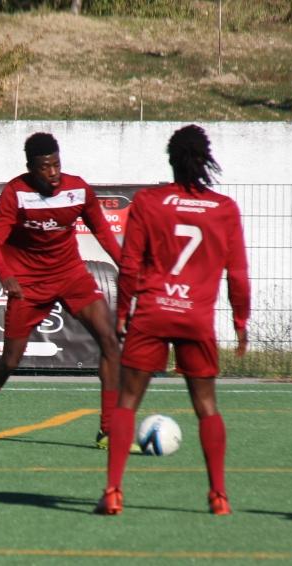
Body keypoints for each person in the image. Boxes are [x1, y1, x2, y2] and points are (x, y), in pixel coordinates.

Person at [94, 124, 250, 516]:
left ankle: (113, 491)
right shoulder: (224, 209)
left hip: (153, 312)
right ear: (204, 160)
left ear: (172, 161)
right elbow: (238, 274)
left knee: (128, 402)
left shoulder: (149, 202)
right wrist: (240, 320)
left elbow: (130, 263)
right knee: (207, 406)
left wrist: (123, 312)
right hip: (195, 318)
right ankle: (219, 496)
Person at [0, 132, 123, 447]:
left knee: (110, 342)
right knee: (10, 360)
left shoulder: (77, 189)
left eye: (56, 164)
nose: (53, 172)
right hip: (28, 286)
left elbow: (101, 229)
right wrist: (6, 275)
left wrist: (124, 264)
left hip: (71, 275)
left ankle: (107, 431)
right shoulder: (16, 193)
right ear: (31, 169)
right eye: (45, 167)